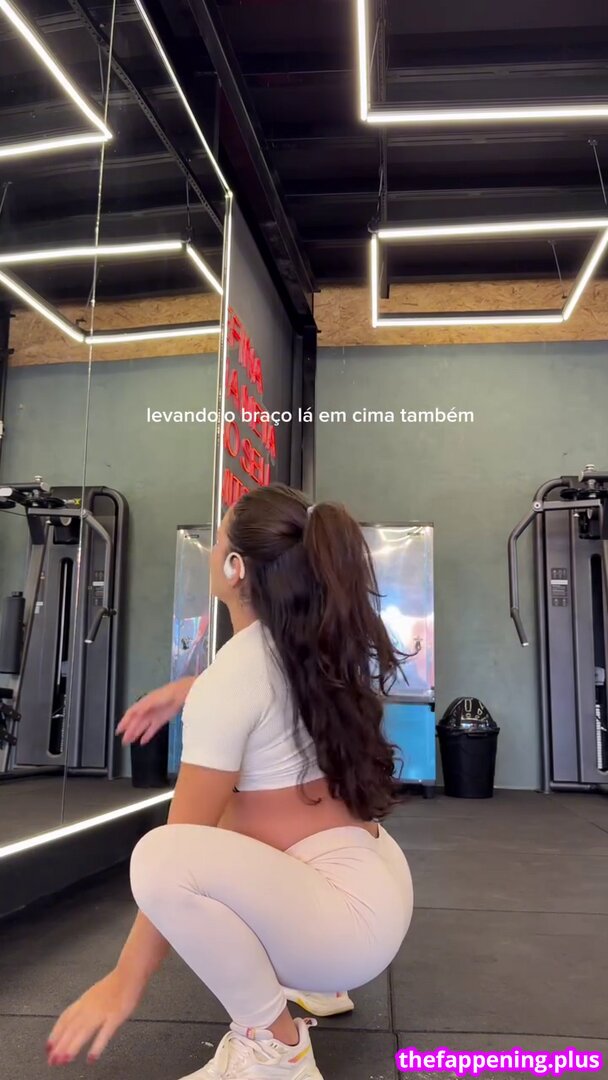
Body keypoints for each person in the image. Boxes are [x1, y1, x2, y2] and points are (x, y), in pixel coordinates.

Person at [47, 484, 414, 1079]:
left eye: (217, 540)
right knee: (222, 828)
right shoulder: (303, 644)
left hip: (342, 929)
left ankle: (275, 1049)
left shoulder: (239, 674)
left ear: (235, 567)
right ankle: (314, 984)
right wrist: (189, 690)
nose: (211, 550)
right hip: (378, 890)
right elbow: (260, 692)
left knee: (162, 856)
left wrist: (124, 980)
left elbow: (178, 851)